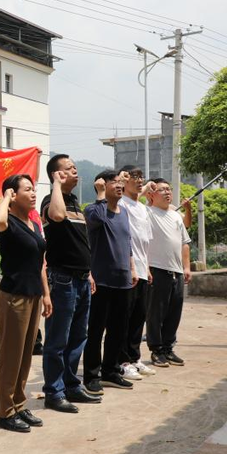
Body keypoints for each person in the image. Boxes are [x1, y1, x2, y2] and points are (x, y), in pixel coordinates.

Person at [39, 155, 100, 414]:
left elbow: (80, 242)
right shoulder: (50, 201)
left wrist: (89, 273)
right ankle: (53, 392)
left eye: (75, 167)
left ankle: (71, 385)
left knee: (78, 336)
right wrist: (55, 184)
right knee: (58, 339)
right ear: (56, 174)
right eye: (69, 168)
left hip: (81, 278)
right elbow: (56, 215)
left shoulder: (76, 201)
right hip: (61, 279)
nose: (75, 170)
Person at [0, 174, 52, 433]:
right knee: (10, 356)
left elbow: (41, 263)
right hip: (13, 296)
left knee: (26, 355)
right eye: (27, 189)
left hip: (34, 295)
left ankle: (18, 403)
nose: (34, 193)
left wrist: (46, 294)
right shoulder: (8, 223)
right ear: (13, 195)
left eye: (34, 189)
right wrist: (5, 196)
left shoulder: (34, 225)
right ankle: (5, 412)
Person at [82, 170, 138, 394]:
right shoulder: (94, 209)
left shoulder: (124, 212)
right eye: (113, 182)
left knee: (118, 330)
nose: (119, 185)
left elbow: (127, 241)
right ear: (102, 185)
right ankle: (91, 375)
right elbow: (96, 220)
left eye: (119, 181)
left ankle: (111, 371)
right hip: (101, 280)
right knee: (95, 331)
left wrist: (133, 267)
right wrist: (99, 195)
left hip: (123, 280)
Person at [144, 178, 192, 368]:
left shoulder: (174, 216)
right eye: (162, 190)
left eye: (169, 189)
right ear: (151, 195)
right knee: (156, 313)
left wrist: (186, 268)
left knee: (174, 312)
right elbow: (130, 206)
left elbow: (184, 243)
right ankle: (156, 350)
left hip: (176, 271)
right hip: (157, 269)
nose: (167, 192)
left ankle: (168, 348)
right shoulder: (147, 213)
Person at [118, 166, 156, 381]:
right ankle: (122, 361)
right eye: (134, 177)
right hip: (127, 270)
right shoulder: (121, 204)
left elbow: (145, 242)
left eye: (141, 177)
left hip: (142, 269)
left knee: (139, 318)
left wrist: (147, 267)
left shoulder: (141, 208)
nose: (139, 180)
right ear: (124, 181)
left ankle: (134, 358)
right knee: (125, 318)